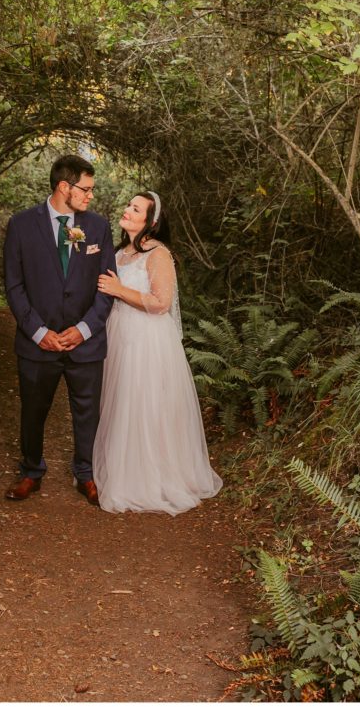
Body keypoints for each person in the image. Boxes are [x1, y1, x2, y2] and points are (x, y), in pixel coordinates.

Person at [93, 191, 223, 514]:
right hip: (119, 333)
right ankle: (124, 470)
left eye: (135, 209)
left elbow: (161, 302)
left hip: (147, 339)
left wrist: (120, 290)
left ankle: (151, 477)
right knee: (121, 401)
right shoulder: (121, 252)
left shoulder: (159, 254)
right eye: (128, 205)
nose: (127, 210)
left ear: (150, 222)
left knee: (144, 403)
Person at [2, 155, 117, 504]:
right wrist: (39, 332)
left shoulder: (98, 227)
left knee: (88, 412)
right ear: (63, 187)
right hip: (38, 344)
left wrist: (84, 329)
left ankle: (86, 473)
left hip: (86, 343)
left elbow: (108, 286)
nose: (90, 196)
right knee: (34, 409)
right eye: (86, 189)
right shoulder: (21, 225)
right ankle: (31, 471)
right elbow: (13, 285)